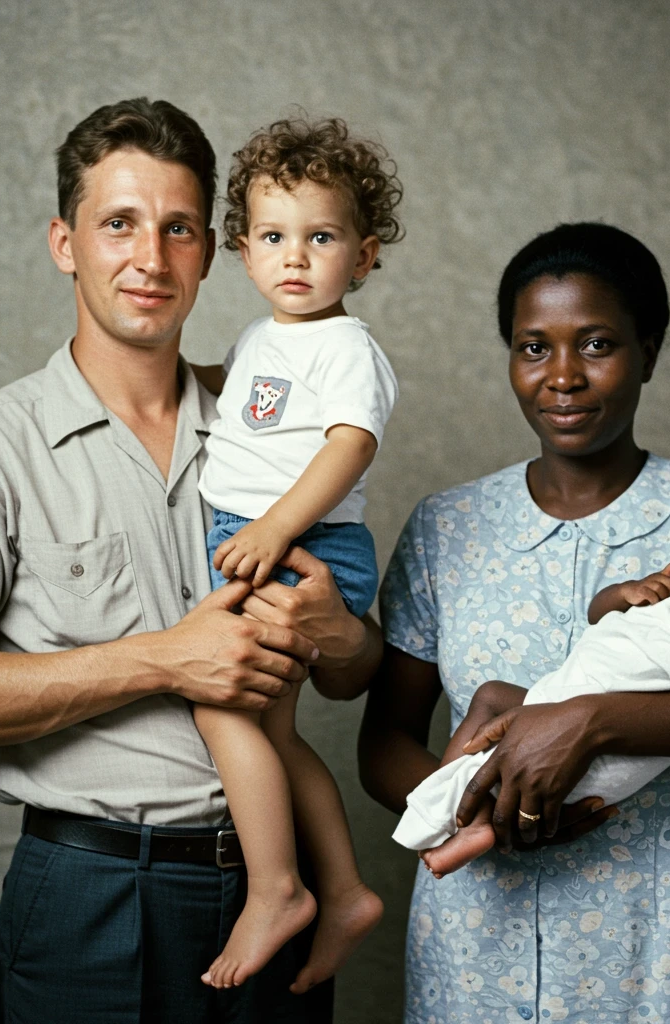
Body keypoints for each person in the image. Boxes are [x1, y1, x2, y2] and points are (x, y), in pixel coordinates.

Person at [0, 97, 382, 1024]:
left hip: (280, 884)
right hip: (96, 895)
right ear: (66, 243)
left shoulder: (269, 418)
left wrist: (340, 632)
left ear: (211, 251)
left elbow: (352, 678)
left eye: (178, 228)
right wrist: (163, 658)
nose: (150, 258)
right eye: (119, 224)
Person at [358, 222, 670, 1024]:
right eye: (533, 347)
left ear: (649, 352)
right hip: (479, 950)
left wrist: (590, 721)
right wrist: (484, 806)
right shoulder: (446, 527)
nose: (564, 377)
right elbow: (382, 746)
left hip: (665, 940)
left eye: (598, 344)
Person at [192, 116, 401, 991]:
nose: (296, 257)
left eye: (321, 238)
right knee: (270, 735)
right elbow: (234, 399)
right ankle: (345, 889)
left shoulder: (349, 348)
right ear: (243, 250)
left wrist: (277, 528)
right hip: (253, 540)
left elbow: (349, 447)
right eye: (275, 237)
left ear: (364, 255)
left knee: (223, 709)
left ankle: (278, 888)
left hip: (300, 544)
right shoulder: (259, 339)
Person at [392, 500, 670, 877]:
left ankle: (462, 816)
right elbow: (597, 615)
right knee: (491, 695)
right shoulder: (440, 518)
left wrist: (593, 714)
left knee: (494, 721)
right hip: (562, 700)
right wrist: (629, 594)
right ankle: (458, 807)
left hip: (607, 744)